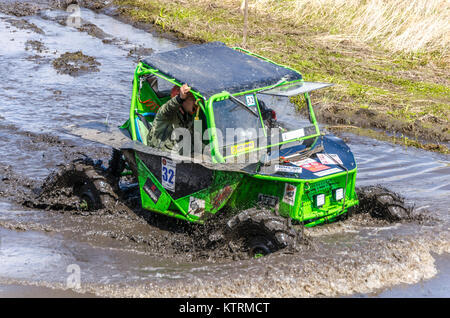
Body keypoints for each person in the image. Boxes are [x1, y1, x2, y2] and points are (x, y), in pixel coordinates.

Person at [147, 83, 198, 153]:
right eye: (193, 100)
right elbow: (169, 108)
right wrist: (179, 98)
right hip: (161, 154)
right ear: (183, 100)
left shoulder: (189, 116)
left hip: (181, 154)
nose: (196, 103)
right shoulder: (166, 113)